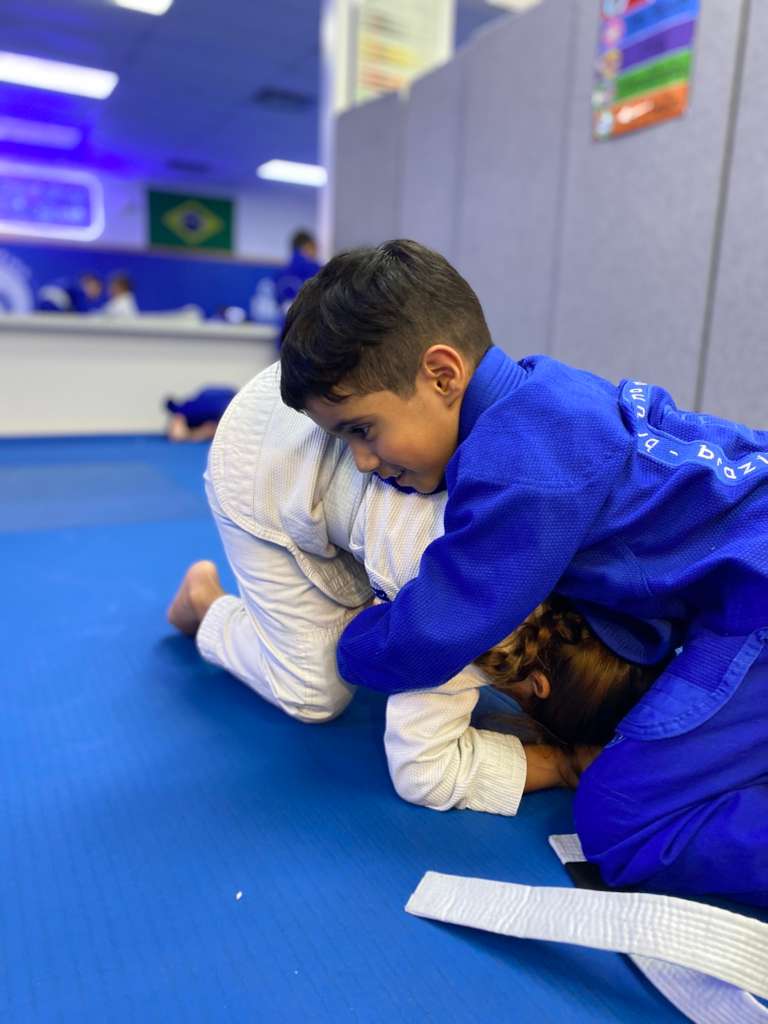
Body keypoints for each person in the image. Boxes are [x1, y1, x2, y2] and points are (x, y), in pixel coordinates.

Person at [278, 238, 768, 908]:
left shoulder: (518, 466)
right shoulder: (547, 395)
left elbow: (436, 630)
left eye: (363, 431)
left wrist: (349, 639)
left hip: (755, 604)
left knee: (621, 820)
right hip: (746, 581)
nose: (362, 462)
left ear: (443, 376)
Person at [167, 361, 593, 820]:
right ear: (538, 686)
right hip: (265, 465)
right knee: (313, 694)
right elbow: (423, 773)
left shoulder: (559, 536)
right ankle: (204, 603)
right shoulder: (463, 625)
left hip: (331, 389)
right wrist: (562, 765)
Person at [274, 230, 320, 319]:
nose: (316, 253)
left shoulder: (280, 273)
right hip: (309, 320)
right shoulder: (316, 270)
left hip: (285, 321)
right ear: (308, 246)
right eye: (315, 249)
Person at [164, 387, 237, 442]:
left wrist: (196, 434)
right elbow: (178, 435)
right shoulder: (191, 411)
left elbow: (178, 435)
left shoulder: (194, 411)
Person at [37, 271, 103, 313]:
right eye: (95, 288)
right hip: (50, 308)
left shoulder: (73, 287)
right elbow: (82, 312)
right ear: (88, 284)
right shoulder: (78, 290)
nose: (96, 294)